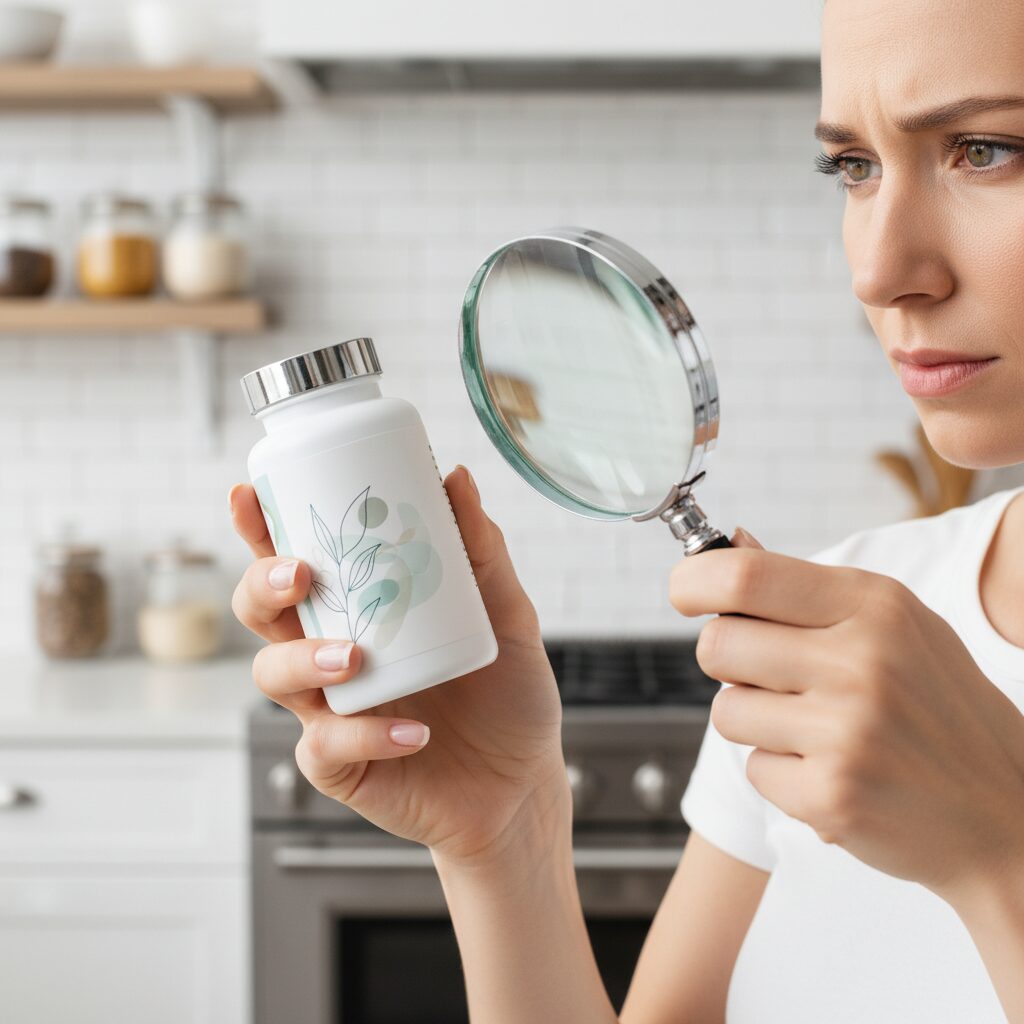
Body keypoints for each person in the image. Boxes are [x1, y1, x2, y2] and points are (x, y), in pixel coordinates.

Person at [227, 0, 1024, 1019]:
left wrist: (1001, 852)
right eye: (853, 166)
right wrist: (503, 833)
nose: (877, 270)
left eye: (986, 148)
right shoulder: (854, 624)